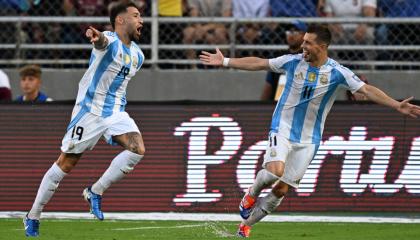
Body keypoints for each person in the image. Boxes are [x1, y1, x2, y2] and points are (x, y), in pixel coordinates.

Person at [199, 24, 420, 238]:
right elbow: (259, 63)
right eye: (303, 41)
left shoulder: (337, 72)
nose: (302, 46)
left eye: (308, 43)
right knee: (275, 171)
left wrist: (396, 104)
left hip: (309, 139)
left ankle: (244, 226)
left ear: (322, 47)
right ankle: (252, 193)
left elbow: (367, 90)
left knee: (282, 190)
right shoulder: (292, 62)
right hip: (282, 128)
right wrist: (226, 61)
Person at [23, 2, 146, 237]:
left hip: (115, 112)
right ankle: (33, 215)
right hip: (89, 111)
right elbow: (102, 42)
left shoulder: (138, 55)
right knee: (66, 163)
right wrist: (96, 36)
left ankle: (95, 191)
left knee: (137, 148)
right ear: (120, 20)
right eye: (136, 16)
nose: (141, 21)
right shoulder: (109, 40)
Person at [261, 20, 306, 101]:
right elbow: (269, 85)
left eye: (295, 31)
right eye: (289, 31)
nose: (291, 34)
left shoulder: (309, 58)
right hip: (278, 104)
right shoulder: (278, 57)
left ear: (304, 35)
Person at [183, 0, 232, 67]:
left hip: (218, 25)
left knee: (219, 32)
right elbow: (194, 14)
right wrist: (201, 29)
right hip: (199, 26)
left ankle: (221, 68)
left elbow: (225, 17)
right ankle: (193, 68)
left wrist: (206, 28)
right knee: (188, 32)